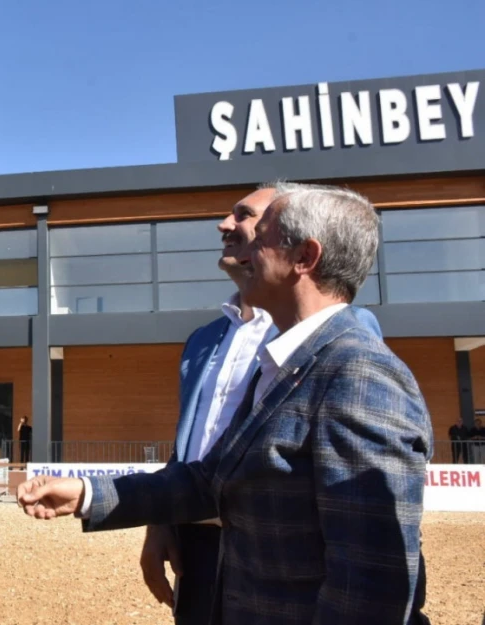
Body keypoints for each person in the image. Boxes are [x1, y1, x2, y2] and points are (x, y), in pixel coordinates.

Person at [17, 183, 433, 625]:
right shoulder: (280, 367)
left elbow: (368, 585)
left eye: (264, 234)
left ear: (304, 259)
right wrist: (86, 494)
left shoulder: (357, 372)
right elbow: (208, 483)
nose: (246, 247)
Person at [140, 184, 384, 624]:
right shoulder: (202, 341)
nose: (224, 225)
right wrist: (160, 522)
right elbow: (192, 442)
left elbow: (369, 518)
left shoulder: (340, 335)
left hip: (276, 548)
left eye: (245, 215)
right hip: (194, 547)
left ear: (290, 237)